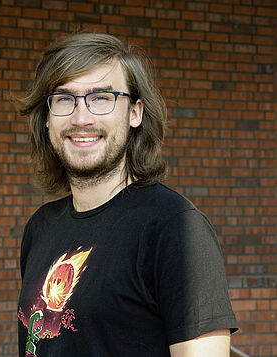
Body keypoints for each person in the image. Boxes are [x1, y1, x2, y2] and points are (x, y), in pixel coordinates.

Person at [17, 33, 238, 357]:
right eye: (64, 99)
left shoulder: (176, 229)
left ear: (135, 112)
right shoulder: (40, 228)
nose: (82, 118)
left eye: (101, 97)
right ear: (47, 118)